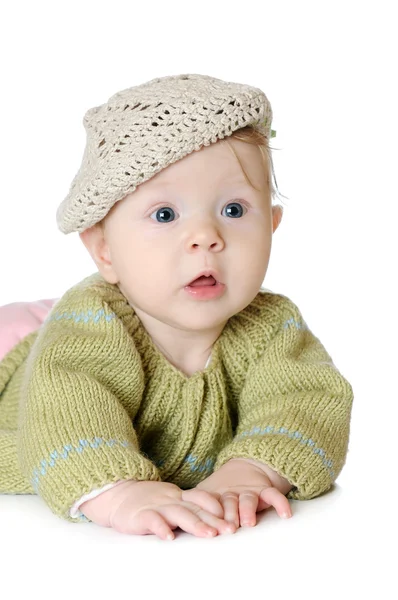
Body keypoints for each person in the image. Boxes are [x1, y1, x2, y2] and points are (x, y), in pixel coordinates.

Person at [0, 73, 354, 540]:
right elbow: (66, 418)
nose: (206, 236)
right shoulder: (90, 324)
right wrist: (121, 492)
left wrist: (255, 469)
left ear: (272, 225)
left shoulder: (273, 326)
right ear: (105, 250)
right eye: (165, 215)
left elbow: (307, 403)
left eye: (234, 210)